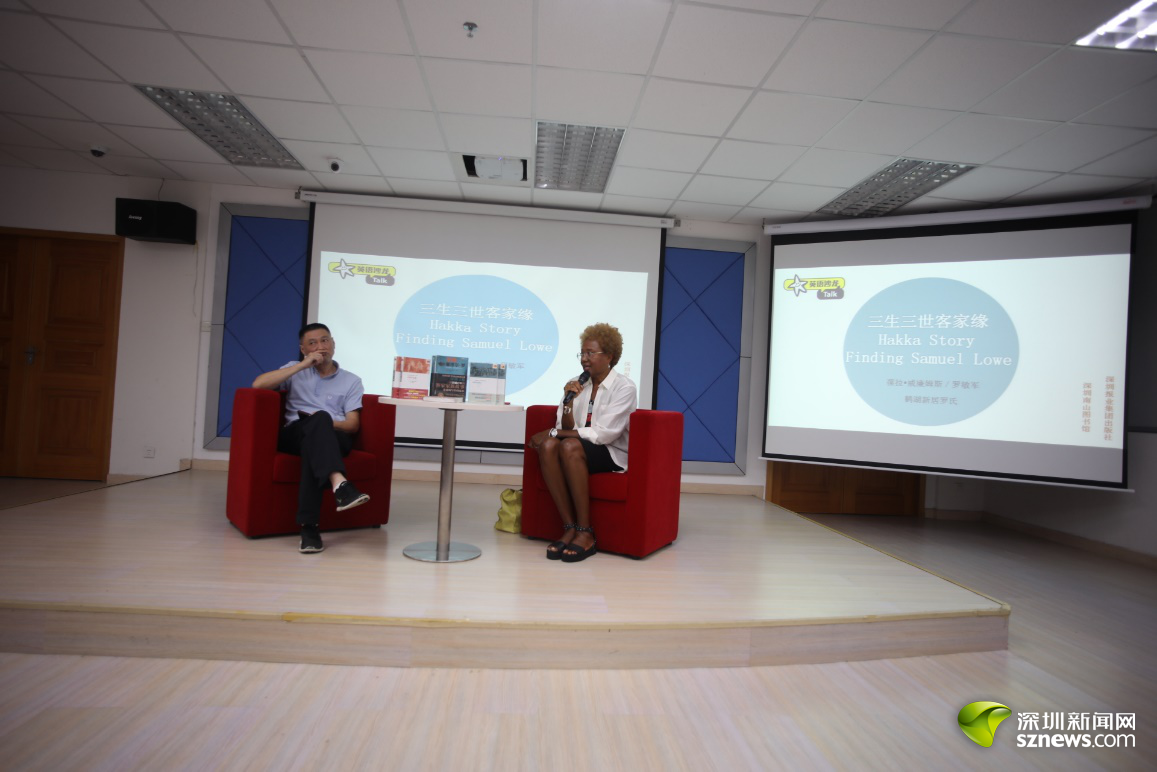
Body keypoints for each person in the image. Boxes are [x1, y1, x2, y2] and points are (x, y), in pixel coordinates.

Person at [251, 323, 369, 554]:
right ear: (303, 349)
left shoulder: (352, 380)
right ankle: (340, 484)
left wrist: (320, 423)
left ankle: (310, 529)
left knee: (316, 435)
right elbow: (258, 384)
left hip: (335, 437)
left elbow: (352, 425)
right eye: (312, 343)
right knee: (315, 433)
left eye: (325, 340)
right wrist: (302, 365)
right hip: (295, 433)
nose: (320, 346)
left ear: (333, 344)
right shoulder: (294, 369)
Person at [527, 323, 636, 562]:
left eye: (590, 353)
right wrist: (568, 403)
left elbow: (604, 434)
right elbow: (565, 426)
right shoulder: (576, 383)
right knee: (549, 446)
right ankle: (569, 527)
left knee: (567, 444)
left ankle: (586, 533)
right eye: (582, 353)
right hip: (578, 447)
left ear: (609, 356)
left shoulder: (624, 387)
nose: (584, 359)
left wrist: (553, 432)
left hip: (610, 452)